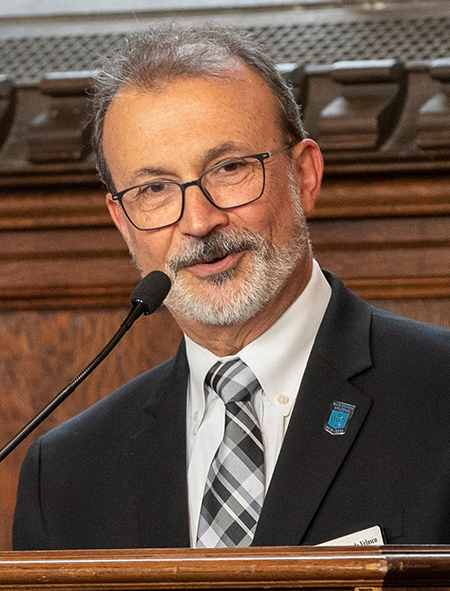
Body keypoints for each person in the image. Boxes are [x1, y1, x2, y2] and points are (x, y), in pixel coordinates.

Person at [13, 24, 450, 551]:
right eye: (154, 189)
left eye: (229, 168)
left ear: (305, 176)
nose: (198, 221)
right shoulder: (65, 475)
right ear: (123, 221)